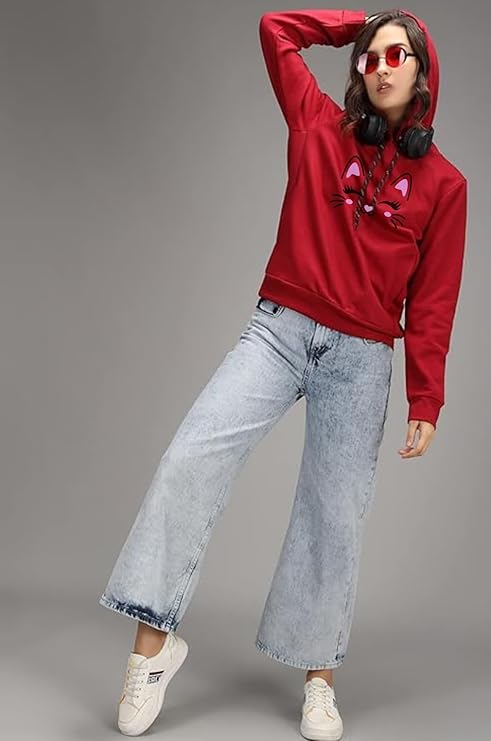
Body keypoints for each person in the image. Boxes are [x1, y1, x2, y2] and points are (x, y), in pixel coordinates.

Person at [98, 8, 468, 740]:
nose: (382, 67)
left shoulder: (446, 185)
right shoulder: (318, 124)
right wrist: (357, 24)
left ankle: (318, 682)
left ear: (423, 72)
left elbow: (433, 299)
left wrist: (425, 396)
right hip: (279, 328)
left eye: (397, 55)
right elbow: (275, 29)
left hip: (363, 356)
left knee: (334, 513)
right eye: (370, 57)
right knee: (191, 456)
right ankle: (151, 648)